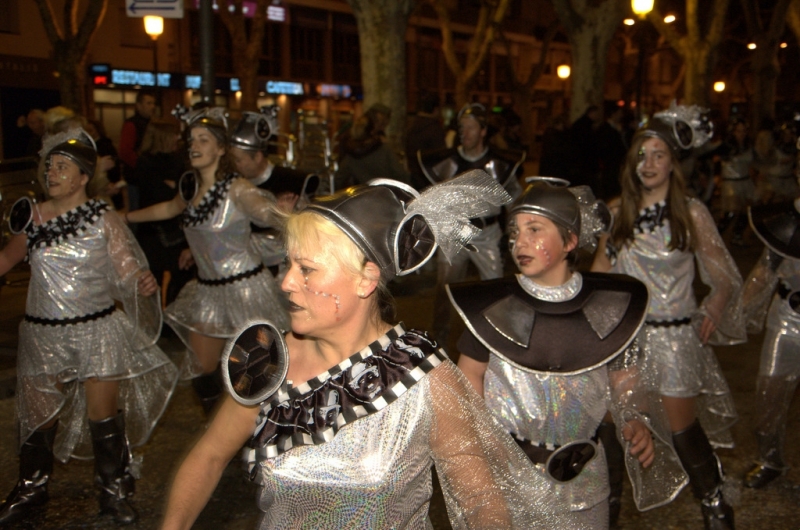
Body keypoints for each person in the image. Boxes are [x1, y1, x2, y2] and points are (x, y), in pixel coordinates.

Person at [160, 170, 591, 530]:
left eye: (306, 269)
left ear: (366, 279)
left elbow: (481, 499)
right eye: (288, 265)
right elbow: (210, 455)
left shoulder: (426, 377)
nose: (286, 282)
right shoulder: (267, 360)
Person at [450, 179, 686, 528]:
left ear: (570, 241)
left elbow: (624, 379)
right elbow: (469, 375)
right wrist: (477, 443)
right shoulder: (493, 309)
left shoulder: (608, 309)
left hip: (584, 478)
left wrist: (634, 417)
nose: (520, 242)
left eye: (535, 229)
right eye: (515, 231)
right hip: (510, 476)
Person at [0, 128, 179, 525]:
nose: (53, 172)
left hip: (95, 330)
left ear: (83, 177)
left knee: (103, 416)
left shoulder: (103, 218)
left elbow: (127, 269)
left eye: (63, 167)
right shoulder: (30, 217)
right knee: (38, 418)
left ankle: (113, 492)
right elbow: (5, 261)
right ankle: (31, 491)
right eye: (50, 166)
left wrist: (141, 282)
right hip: (43, 333)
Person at [593, 103, 745, 530]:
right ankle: (608, 511)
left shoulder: (691, 213)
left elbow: (724, 278)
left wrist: (712, 307)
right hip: (624, 340)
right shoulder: (617, 210)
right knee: (611, 425)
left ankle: (715, 507)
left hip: (674, 339)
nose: (649, 164)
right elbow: (600, 279)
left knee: (682, 432)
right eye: (642, 154)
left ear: (675, 163)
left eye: (659, 154)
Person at [125, 106, 289, 415]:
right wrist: (123, 217)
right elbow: (168, 209)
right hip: (207, 292)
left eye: (203, 139)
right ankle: (224, 440)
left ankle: (262, 436)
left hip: (246, 290)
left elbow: (261, 210)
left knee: (255, 375)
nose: (194, 146)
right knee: (203, 373)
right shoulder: (192, 188)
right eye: (191, 140)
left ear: (222, 148)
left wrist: (279, 213)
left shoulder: (237, 187)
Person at [417, 102, 526, 347]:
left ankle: (496, 340)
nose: (464, 133)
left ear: (483, 131)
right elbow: (432, 200)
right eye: (461, 127)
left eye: (471, 127)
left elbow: (515, 200)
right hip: (455, 232)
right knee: (445, 289)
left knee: (495, 288)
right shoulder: (447, 163)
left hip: (488, 233)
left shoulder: (499, 165)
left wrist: (519, 231)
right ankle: (439, 339)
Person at [739, 197, 800, 489]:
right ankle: (770, 460)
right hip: (788, 318)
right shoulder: (786, 218)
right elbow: (765, 270)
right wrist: (737, 311)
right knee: (769, 392)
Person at [228, 106, 320, 277]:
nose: (235, 166)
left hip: (282, 270)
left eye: (239, 160)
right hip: (239, 267)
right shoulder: (232, 183)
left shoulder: (293, 181)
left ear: (257, 157)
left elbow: (310, 229)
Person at [131, 119, 194, 305]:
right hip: (152, 229)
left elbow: (180, 195)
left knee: (181, 276)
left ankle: (172, 322)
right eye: (172, 134)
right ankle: (156, 322)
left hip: (176, 229)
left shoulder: (181, 161)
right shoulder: (145, 163)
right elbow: (166, 196)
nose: (177, 138)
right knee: (151, 281)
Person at [335, 103, 410, 188]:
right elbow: (400, 174)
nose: (381, 126)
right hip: (385, 193)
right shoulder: (383, 149)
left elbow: (339, 178)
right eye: (380, 122)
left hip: (360, 193)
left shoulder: (350, 152)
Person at [717, 118, 754, 246]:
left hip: (745, 181)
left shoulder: (748, 146)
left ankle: (737, 235)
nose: (741, 134)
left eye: (743, 131)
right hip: (731, 183)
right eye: (738, 131)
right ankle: (717, 235)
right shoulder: (726, 146)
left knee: (745, 211)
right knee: (731, 210)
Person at [119, 90, 157, 213]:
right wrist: (142, 165)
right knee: (136, 210)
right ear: (138, 105)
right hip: (137, 178)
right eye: (148, 103)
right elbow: (125, 151)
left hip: (148, 176)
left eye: (153, 103)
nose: (152, 107)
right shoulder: (132, 124)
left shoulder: (153, 123)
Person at [405, 92, 446, 191]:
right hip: (430, 181)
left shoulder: (411, 127)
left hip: (413, 179)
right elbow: (441, 158)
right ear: (436, 110)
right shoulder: (435, 130)